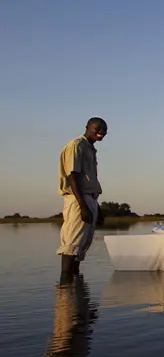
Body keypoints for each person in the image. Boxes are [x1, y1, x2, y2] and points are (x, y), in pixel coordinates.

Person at [57, 117, 107, 284]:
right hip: (78, 200)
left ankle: (78, 299)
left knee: (81, 247)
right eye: (98, 128)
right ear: (88, 127)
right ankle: (65, 296)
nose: (102, 132)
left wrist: (96, 208)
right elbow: (73, 176)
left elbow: (88, 180)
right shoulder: (76, 145)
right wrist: (83, 206)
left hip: (89, 199)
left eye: (105, 130)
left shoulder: (90, 148)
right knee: (71, 245)